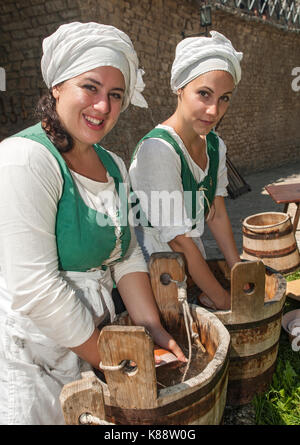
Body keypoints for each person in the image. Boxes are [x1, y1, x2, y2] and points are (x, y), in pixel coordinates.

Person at [0, 22, 186, 425]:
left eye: (115, 95)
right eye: (90, 87)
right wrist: (117, 359)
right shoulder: (25, 159)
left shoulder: (114, 166)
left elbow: (126, 254)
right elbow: (35, 288)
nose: (103, 106)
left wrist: (151, 328)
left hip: (92, 345)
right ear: (57, 87)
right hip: (34, 355)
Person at [129, 31, 243, 311]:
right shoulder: (158, 149)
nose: (214, 110)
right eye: (204, 94)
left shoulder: (214, 145)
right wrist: (224, 299)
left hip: (188, 259)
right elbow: (177, 241)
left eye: (224, 98)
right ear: (180, 88)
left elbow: (215, 213)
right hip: (151, 270)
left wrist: (238, 272)